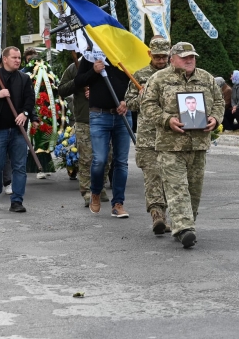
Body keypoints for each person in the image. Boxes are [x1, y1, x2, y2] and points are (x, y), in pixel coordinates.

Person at [141, 41, 224, 248]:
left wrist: (215, 118)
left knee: (194, 190)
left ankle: (186, 224)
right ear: (172, 59)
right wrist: (166, 120)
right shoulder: (159, 79)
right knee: (177, 188)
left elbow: (219, 101)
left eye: (192, 57)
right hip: (170, 145)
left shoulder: (206, 78)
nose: (190, 60)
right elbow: (147, 105)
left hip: (198, 144)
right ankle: (184, 228)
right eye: (185, 57)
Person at [0, 46, 39, 213]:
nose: (18, 60)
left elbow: (29, 100)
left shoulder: (24, 78)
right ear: (5, 59)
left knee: (19, 166)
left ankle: (17, 200)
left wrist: (25, 114)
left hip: (18, 131)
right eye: (14, 57)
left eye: (19, 57)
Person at [75, 49, 132, 218]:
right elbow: (78, 81)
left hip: (123, 114)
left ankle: (118, 203)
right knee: (99, 159)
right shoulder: (91, 55)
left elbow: (135, 82)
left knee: (121, 161)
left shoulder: (124, 54)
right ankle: (95, 191)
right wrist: (94, 71)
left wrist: (127, 101)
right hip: (99, 114)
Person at [125, 37, 170, 234]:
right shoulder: (140, 75)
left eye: (164, 57)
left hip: (171, 136)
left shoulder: (175, 75)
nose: (161, 61)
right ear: (149, 54)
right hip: (148, 137)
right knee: (153, 177)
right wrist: (143, 96)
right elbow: (129, 103)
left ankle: (171, 216)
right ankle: (157, 215)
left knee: (170, 179)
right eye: (157, 57)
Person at [60, 53, 112, 206]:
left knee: (106, 157)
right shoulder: (74, 67)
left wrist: (98, 92)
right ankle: (87, 190)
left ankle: (99, 186)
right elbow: (62, 90)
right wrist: (78, 83)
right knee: (87, 158)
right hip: (85, 118)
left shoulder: (108, 63)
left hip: (105, 117)